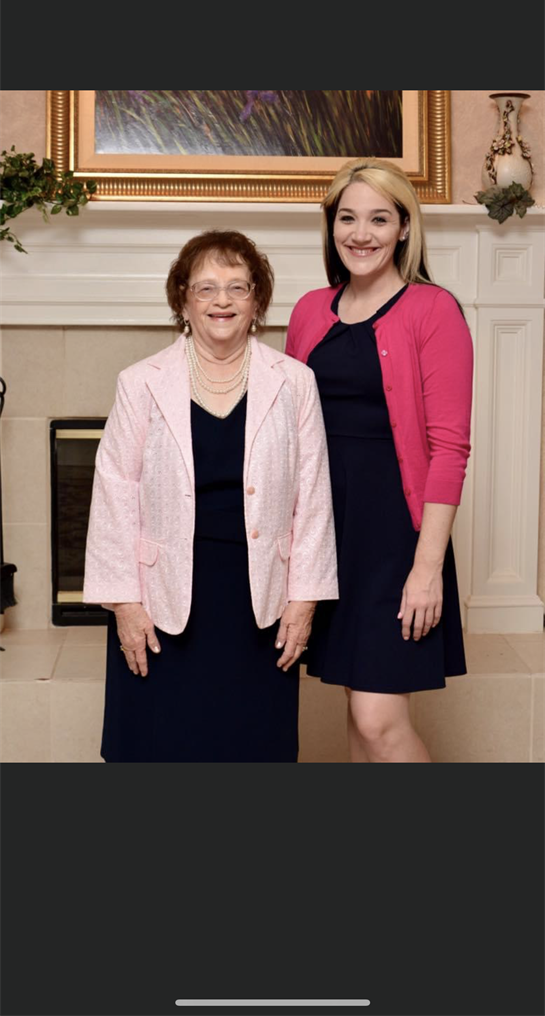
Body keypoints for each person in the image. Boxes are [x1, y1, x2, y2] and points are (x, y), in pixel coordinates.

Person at [83, 229, 338, 762]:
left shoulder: (295, 382)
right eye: (205, 288)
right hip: (161, 600)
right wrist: (125, 605)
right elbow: (113, 496)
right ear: (183, 300)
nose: (222, 300)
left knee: (252, 747)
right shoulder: (140, 382)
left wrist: (304, 600)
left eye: (238, 287)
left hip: (259, 601)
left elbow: (312, 497)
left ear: (257, 301)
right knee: (158, 747)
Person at [286, 159, 473, 764]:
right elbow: (285, 430)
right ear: (330, 227)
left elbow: (450, 449)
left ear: (402, 229)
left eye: (378, 218)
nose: (360, 233)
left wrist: (426, 569)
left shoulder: (432, 309)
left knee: (377, 719)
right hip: (327, 534)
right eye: (347, 217)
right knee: (357, 708)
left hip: (395, 539)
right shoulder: (310, 310)